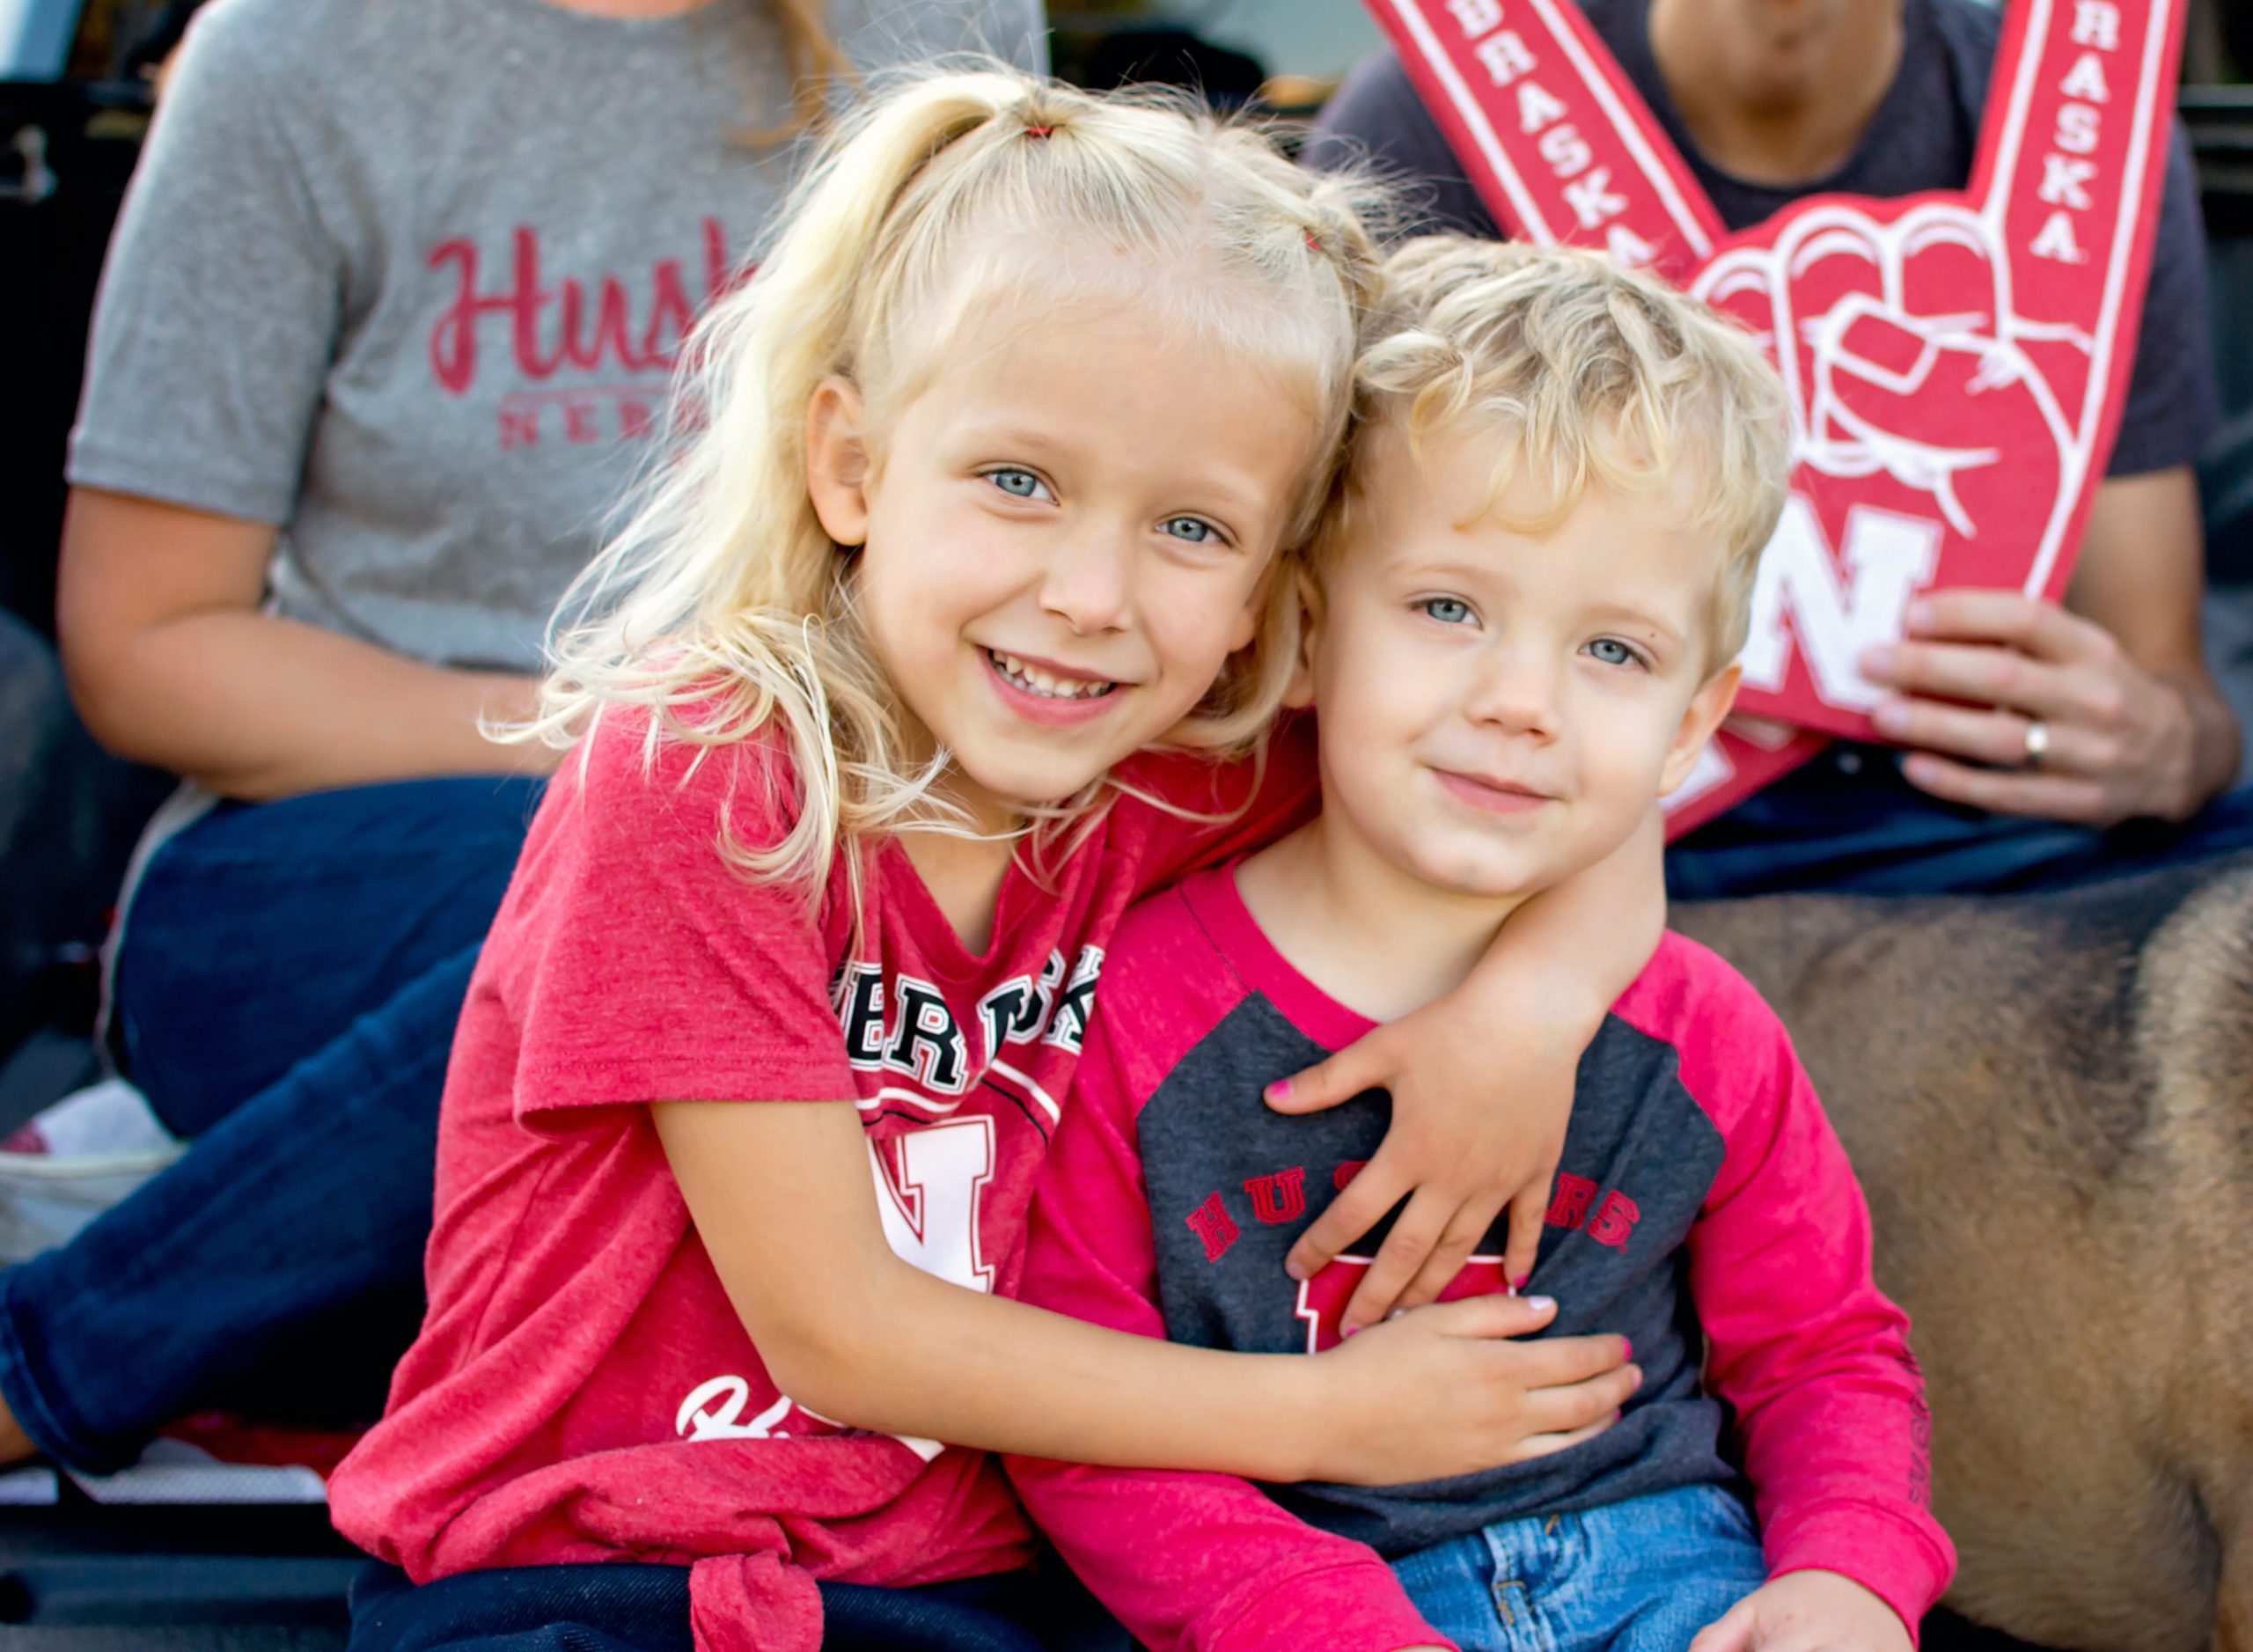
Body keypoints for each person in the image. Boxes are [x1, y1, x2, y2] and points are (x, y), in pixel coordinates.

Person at [325, 69, 1662, 1652]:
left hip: (971, 1584)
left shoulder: (1171, 775)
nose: (1092, 593)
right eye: (1018, 482)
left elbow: (1572, 805)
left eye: (1193, 529)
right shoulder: (714, 770)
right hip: (592, 1561)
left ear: (1267, 592)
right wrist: (1322, 1419)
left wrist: (1526, 1017)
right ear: (852, 469)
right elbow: (837, 1333)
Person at [1, 0, 1046, 1472]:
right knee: (673, 863)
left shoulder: (939, 30)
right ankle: (44, 1363)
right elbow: (148, 648)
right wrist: (626, 751)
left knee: (742, 875)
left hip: (840, 880)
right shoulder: (294, 57)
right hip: (301, 878)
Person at [1007, 238, 1954, 1652]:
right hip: (1291, 1600)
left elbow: (1826, 1354)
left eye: (1614, 652)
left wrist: (1847, 1582)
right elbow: (1081, 1424)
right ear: (1306, 636)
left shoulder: (1702, 1038)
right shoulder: (1125, 1017)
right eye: (1449, 609)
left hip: (1682, 1584)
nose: (1522, 701)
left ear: (1693, 725)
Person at [1307, 0, 2252, 897]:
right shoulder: (1440, 105)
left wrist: (2161, 747)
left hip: (1981, 843)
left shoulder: (2084, 135)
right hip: (1569, 841)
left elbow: (2176, 693)